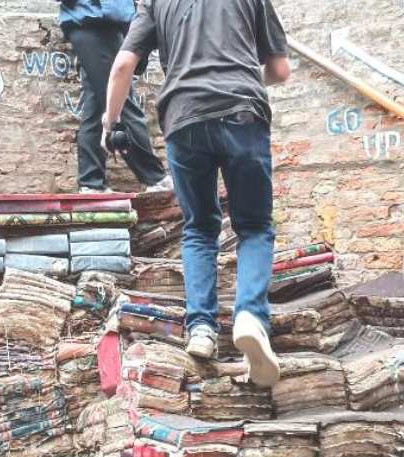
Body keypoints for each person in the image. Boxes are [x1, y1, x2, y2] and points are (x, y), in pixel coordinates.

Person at [102, 0, 291, 387]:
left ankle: (202, 328)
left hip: (184, 118)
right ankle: (250, 317)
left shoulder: (156, 3)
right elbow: (279, 70)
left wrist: (111, 121)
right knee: (254, 227)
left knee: (200, 228)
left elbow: (123, 66)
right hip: (242, 112)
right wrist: (243, 76)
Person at [57, 0, 172, 193]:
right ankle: (155, 178)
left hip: (105, 24)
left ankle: (91, 183)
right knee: (121, 102)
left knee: (96, 106)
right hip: (92, 23)